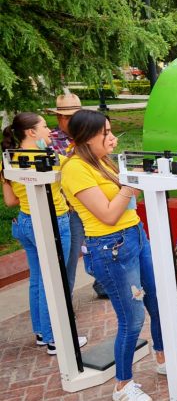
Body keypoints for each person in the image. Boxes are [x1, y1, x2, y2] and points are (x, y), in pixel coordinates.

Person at [60, 111, 162, 401]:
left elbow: (126, 202)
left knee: (157, 301)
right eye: (105, 132)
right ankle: (123, 384)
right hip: (112, 248)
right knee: (132, 318)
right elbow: (107, 214)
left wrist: (129, 181)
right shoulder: (75, 168)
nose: (112, 137)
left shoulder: (101, 160)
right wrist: (129, 185)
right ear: (86, 137)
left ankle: (163, 357)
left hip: (135, 236)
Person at [1, 112, 88, 355]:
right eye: (44, 127)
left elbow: (10, 201)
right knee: (55, 279)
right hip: (54, 221)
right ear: (31, 132)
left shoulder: (8, 159)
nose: (49, 131)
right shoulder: (51, 159)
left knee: (39, 278)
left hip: (26, 222)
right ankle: (56, 338)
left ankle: (41, 331)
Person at [47, 94, 107, 298]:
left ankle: (103, 285)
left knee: (100, 243)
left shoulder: (88, 134)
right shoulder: (51, 141)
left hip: (93, 198)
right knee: (71, 255)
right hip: (70, 206)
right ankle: (65, 300)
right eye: (70, 117)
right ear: (60, 118)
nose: (75, 121)